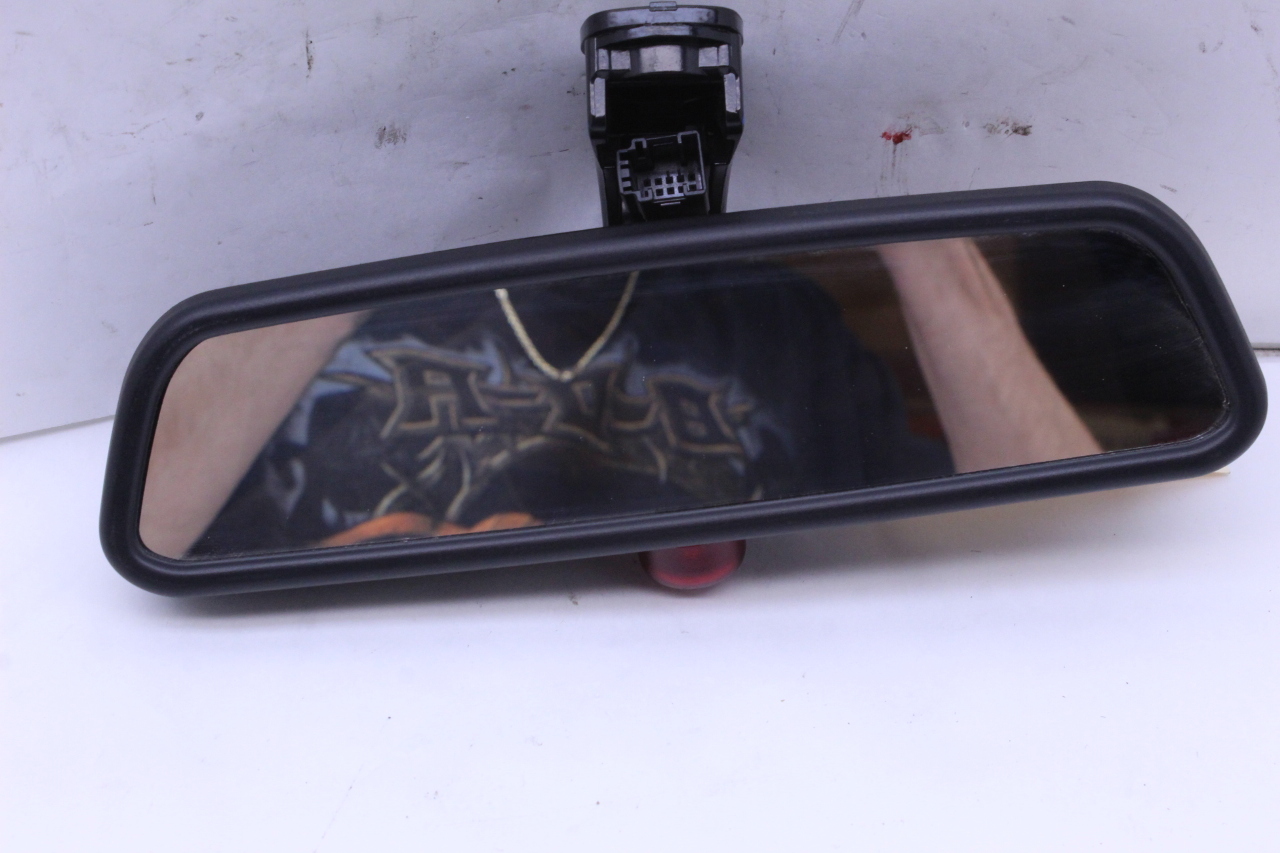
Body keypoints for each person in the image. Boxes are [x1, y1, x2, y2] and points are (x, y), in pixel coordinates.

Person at [139, 239, 1101, 559]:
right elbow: (138, 540)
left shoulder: (777, 314)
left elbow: (1054, 543)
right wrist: (376, 207)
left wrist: (917, 226)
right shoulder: (322, 292)